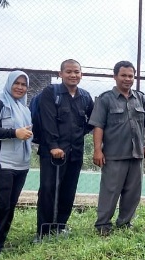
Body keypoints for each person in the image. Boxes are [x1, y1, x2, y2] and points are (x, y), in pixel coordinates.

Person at [89, 61, 145, 236]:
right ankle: (103, 225)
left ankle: (125, 223)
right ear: (115, 76)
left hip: (136, 155)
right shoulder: (105, 99)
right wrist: (97, 150)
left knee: (133, 193)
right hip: (114, 155)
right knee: (110, 191)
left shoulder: (141, 98)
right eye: (123, 75)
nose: (127, 79)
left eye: (130, 76)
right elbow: (98, 126)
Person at [35, 59, 94, 240]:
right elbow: (47, 120)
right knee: (48, 189)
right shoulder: (50, 93)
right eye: (68, 71)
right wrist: (53, 146)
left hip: (75, 152)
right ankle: (43, 231)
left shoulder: (85, 96)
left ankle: (60, 226)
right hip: (53, 153)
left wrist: (79, 134)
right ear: (60, 74)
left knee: (69, 189)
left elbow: (92, 121)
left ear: (81, 74)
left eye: (76, 72)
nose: (73, 75)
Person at [0, 71, 33, 257]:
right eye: (16, 83)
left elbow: (27, 133)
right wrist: (14, 133)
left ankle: (0, 244)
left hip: (21, 165)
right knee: (0, 206)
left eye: (23, 84)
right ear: (9, 83)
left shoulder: (24, 108)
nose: (20, 87)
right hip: (0, 164)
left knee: (10, 206)